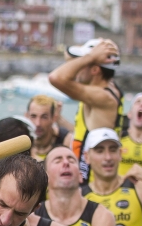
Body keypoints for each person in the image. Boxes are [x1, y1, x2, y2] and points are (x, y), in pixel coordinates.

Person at [47, 38, 124, 182]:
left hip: (93, 180)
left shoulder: (102, 96)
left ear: (95, 69)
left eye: (85, 64)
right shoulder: (100, 91)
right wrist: (60, 120)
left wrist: (91, 57)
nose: (77, 71)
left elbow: (55, 77)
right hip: (86, 174)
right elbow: (68, 54)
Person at [0, 95, 71, 161]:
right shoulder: (22, 135)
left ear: (54, 118)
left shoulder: (65, 139)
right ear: (26, 116)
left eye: (44, 117)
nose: (38, 123)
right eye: (33, 116)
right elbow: (1, 156)